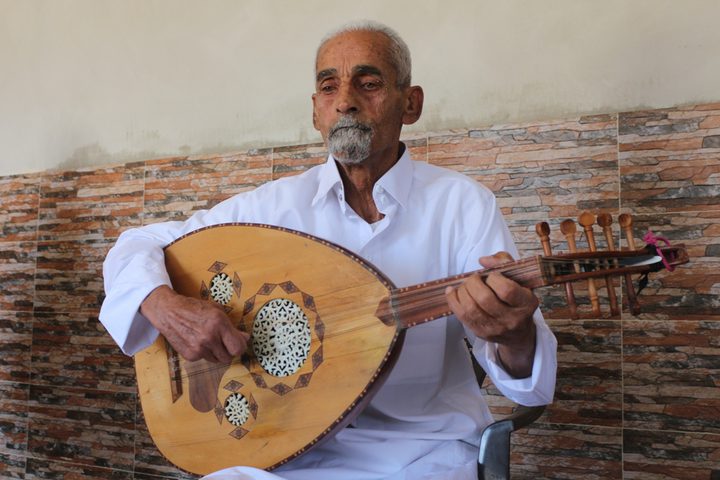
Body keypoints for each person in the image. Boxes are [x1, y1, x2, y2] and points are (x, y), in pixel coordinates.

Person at [100, 20, 557, 480]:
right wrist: (164, 304)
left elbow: (527, 388)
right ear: (315, 112)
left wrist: (513, 336)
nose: (345, 101)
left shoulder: (463, 204)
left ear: (411, 103)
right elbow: (137, 243)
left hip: (421, 454)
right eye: (327, 86)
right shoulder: (273, 208)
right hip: (281, 454)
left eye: (369, 83)